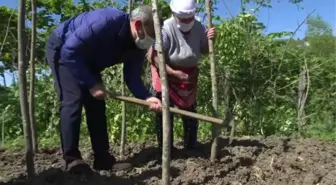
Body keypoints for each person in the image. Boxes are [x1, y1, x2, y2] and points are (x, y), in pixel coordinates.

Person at [45, 5, 162, 173]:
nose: (151, 42)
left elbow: (133, 77)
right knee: (74, 99)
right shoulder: (106, 22)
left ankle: (103, 159)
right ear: (137, 25)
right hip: (64, 48)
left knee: (96, 104)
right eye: (151, 36)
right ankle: (72, 159)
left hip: (89, 59)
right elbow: (70, 51)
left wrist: (146, 97)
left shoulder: (138, 45)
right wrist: (91, 83)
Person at [147, 0, 216, 153]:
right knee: (164, 110)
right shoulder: (165, 29)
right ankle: (166, 147)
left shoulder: (199, 27)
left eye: (189, 18)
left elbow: (204, 50)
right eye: (182, 19)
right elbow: (153, 57)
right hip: (166, 71)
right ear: (174, 14)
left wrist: (210, 39)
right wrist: (172, 72)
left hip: (188, 74)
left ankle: (190, 145)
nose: (186, 22)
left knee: (190, 110)